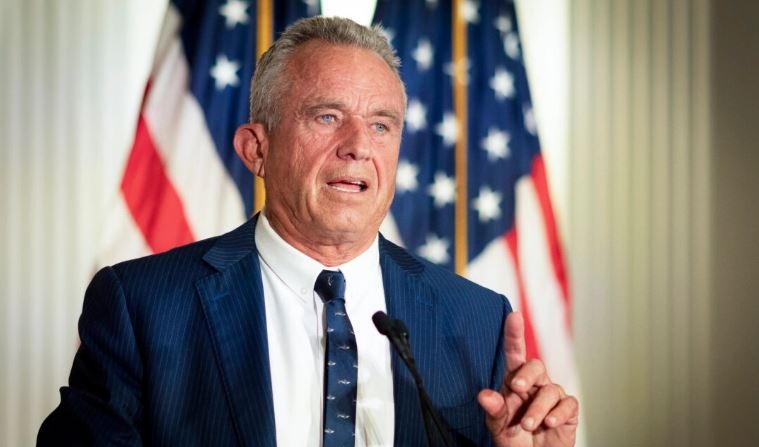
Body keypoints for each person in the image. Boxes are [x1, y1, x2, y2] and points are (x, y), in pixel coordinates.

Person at [38, 16, 578, 446]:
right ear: (256, 149)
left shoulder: (476, 318)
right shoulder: (143, 307)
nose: (359, 146)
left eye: (381, 124)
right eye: (326, 117)